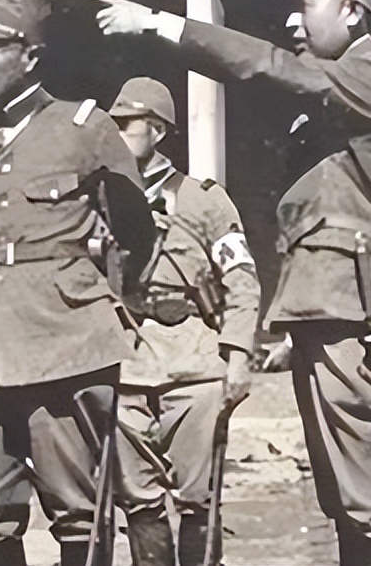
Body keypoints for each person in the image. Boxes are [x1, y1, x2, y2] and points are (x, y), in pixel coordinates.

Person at [97, 0, 371, 565]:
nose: (292, 21)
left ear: (353, 12)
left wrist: (163, 24)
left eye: (307, 4)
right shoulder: (338, 102)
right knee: (343, 496)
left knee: (370, 502)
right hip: (327, 313)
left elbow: (268, 66)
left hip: (351, 314)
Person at [0, 0, 154, 566]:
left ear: (29, 55)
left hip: (63, 345)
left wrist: (101, 309)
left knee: (77, 507)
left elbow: (136, 231)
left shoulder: (84, 127)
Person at [107, 77, 261, 566]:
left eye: (125, 125)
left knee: (199, 499)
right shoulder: (100, 201)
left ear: (156, 129)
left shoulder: (203, 200)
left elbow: (241, 279)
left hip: (194, 365)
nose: (115, 135)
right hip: (126, 364)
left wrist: (238, 356)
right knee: (136, 499)